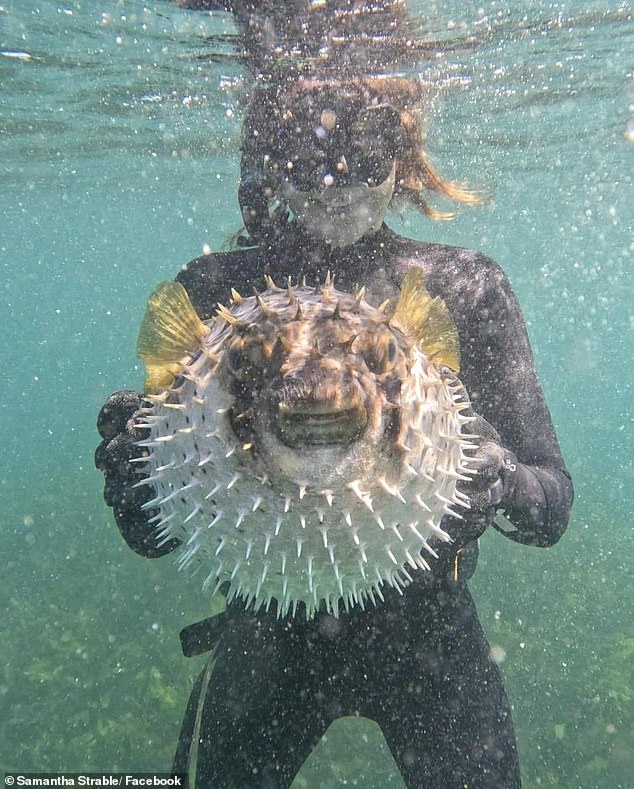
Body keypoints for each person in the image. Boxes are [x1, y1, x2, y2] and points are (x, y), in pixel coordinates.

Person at [96, 75, 573, 788]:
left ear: (402, 146)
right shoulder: (215, 296)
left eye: (367, 142)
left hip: (431, 642)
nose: (336, 177)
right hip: (266, 633)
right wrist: (137, 477)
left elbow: (552, 505)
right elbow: (155, 534)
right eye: (304, 148)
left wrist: (500, 476)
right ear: (268, 160)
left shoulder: (464, 286)